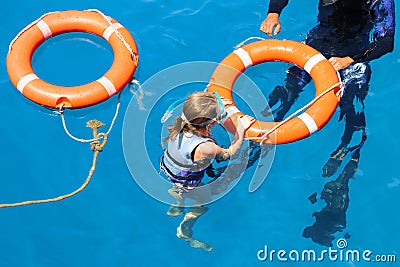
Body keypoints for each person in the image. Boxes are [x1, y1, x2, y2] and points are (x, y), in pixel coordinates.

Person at [259, 0, 395, 245]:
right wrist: (274, 13)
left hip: (353, 58)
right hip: (317, 47)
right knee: (286, 96)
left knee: (352, 115)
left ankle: (343, 176)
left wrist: (349, 59)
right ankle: (255, 147)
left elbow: (387, 42)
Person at [160, 91, 254, 251]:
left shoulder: (180, 121)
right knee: (201, 203)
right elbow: (229, 153)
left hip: (169, 169)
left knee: (178, 188)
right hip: (188, 181)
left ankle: (177, 205)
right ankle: (185, 228)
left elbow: (194, 105)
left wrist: (210, 101)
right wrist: (241, 130)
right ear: (210, 124)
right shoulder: (206, 148)